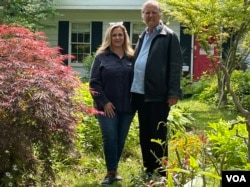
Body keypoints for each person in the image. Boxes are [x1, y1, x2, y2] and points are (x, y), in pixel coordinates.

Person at [131, 0, 183, 177]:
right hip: (139, 93)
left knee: (158, 133)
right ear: (142, 15)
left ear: (160, 15)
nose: (150, 16)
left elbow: (175, 65)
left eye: (154, 12)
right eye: (147, 13)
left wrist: (173, 92)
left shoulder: (169, 36)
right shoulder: (142, 36)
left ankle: (161, 171)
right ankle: (148, 167)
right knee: (144, 132)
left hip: (158, 94)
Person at [89, 22, 135, 185]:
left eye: (120, 35)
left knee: (120, 139)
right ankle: (110, 172)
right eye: (114, 35)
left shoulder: (131, 57)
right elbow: (94, 83)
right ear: (109, 37)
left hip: (127, 107)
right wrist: (105, 102)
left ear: (125, 37)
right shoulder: (101, 57)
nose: (117, 37)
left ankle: (114, 170)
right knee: (110, 138)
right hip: (106, 108)